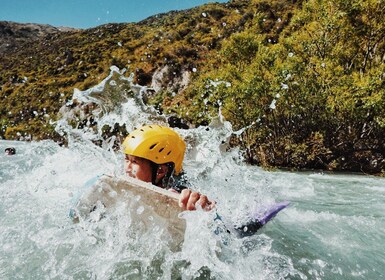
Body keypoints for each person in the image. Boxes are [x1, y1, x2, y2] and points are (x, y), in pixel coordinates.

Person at [122, 124, 214, 211]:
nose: (127, 168)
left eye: (134, 162)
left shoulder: (177, 194)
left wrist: (200, 205)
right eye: (126, 160)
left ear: (160, 171)